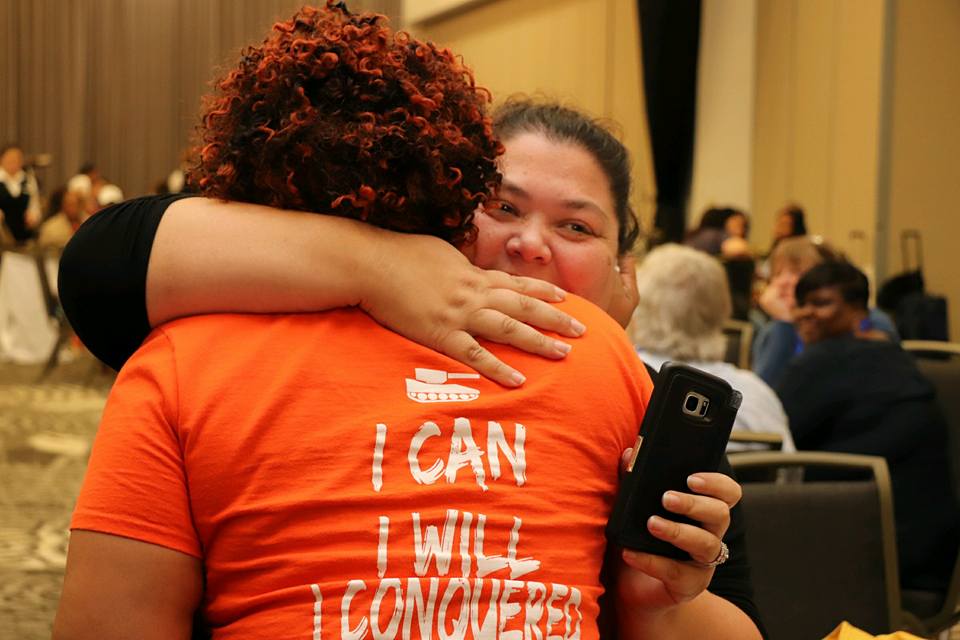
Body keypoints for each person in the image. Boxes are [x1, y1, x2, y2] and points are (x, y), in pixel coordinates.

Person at [54, 5, 760, 639]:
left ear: (623, 267)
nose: (530, 246)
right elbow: (104, 256)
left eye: (575, 226)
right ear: (450, 208)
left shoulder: (636, 395)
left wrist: (656, 599)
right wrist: (377, 265)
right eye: (503, 207)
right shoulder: (186, 360)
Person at [777, 260, 960, 592]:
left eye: (821, 304)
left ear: (859, 311)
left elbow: (774, 435)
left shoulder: (823, 361)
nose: (805, 314)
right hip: (931, 554)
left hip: (867, 558)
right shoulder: (894, 356)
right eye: (801, 303)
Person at [629, 244, 793, 452]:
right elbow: (789, 476)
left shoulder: (628, 380)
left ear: (641, 305)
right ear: (722, 310)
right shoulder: (756, 394)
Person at [752, 236, 897, 386]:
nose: (782, 282)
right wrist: (785, 323)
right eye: (778, 274)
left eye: (796, 272)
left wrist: (789, 322)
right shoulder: (774, 330)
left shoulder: (870, 320)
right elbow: (763, 393)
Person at [0, 143, 41, 244]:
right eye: (9, 158)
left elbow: (34, 203)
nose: (13, 161)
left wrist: (34, 215)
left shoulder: (28, 179)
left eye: (17, 158)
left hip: (24, 231)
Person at [683, 207, 751, 259]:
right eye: (738, 224)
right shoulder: (718, 234)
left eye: (744, 226)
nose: (741, 230)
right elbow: (738, 248)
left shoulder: (700, 233)